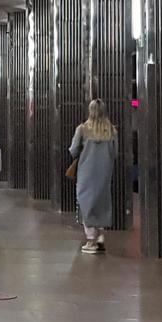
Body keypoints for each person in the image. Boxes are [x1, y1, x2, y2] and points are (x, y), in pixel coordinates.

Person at [70, 98, 119, 254]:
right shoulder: (111, 130)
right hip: (104, 172)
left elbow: (73, 150)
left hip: (86, 172)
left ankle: (91, 240)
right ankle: (101, 236)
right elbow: (115, 153)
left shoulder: (82, 129)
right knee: (102, 202)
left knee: (86, 202)